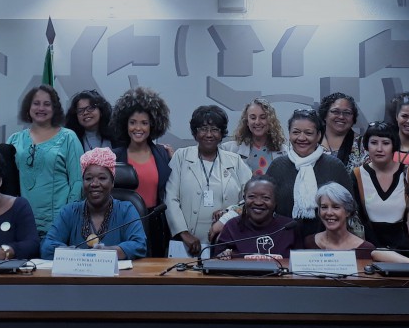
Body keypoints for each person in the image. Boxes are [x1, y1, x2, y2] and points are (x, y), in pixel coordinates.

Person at [165, 106, 252, 256]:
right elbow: (170, 198)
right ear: (195, 132)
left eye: (215, 129)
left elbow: (250, 198)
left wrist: (229, 213)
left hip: (227, 244)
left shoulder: (235, 161)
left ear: (222, 133)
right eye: (203, 129)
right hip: (186, 245)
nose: (209, 134)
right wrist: (184, 234)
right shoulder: (181, 157)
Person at [41, 148, 147, 260]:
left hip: (117, 276)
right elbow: (47, 247)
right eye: (88, 178)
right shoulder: (69, 211)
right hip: (77, 275)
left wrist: (107, 253)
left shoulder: (126, 210)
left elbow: (139, 245)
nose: (94, 184)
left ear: (112, 183)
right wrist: (78, 255)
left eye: (102, 178)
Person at [263, 109, 353, 239]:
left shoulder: (335, 166)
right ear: (289, 134)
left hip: (327, 244)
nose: (301, 138)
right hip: (282, 242)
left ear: (318, 136)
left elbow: (350, 207)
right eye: (296, 132)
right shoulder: (277, 166)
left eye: (308, 133)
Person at [7, 85, 85, 236]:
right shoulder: (14, 140)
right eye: (36, 103)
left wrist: (68, 219)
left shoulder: (68, 137)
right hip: (22, 224)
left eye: (47, 104)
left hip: (59, 225)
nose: (41, 108)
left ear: (54, 108)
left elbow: (78, 182)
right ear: (28, 107)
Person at [111, 87, 173, 256]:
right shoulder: (114, 156)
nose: (138, 128)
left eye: (144, 123)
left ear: (153, 124)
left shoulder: (163, 154)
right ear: (125, 123)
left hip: (156, 227)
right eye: (133, 122)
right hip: (124, 225)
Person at [352, 122, 409, 248]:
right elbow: (356, 217)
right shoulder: (357, 175)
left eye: (385, 143)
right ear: (366, 146)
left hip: (406, 246)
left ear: (394, 146)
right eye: (374, 142)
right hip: (369, 245)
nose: (379, 149)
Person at [215, 176, 296, 257]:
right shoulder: (232, 227)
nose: (258, 202)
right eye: (251, 196)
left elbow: (300, 263)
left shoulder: (288, 228)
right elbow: (216, 262)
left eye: (266, 198)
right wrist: (223, 256)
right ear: (244, 199)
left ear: (275, 201)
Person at [303, 182, 374, 259]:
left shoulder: (364, 249)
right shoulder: (309, 243)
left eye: (336, 207)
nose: (329, 213)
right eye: (324, 207)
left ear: (348, 211)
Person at [220, 98, 288, 176]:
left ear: (270, 121)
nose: (257, 122)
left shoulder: (285, 152)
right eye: (253, 118)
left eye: (263, 117)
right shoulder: (229, 150)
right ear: (247, 122)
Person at [318, 92, 367, 173]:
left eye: (347, 113)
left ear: (353, 117)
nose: (341, 117)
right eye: (335, 111)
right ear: (325, 114)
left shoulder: (363, 145)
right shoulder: (310, 141)